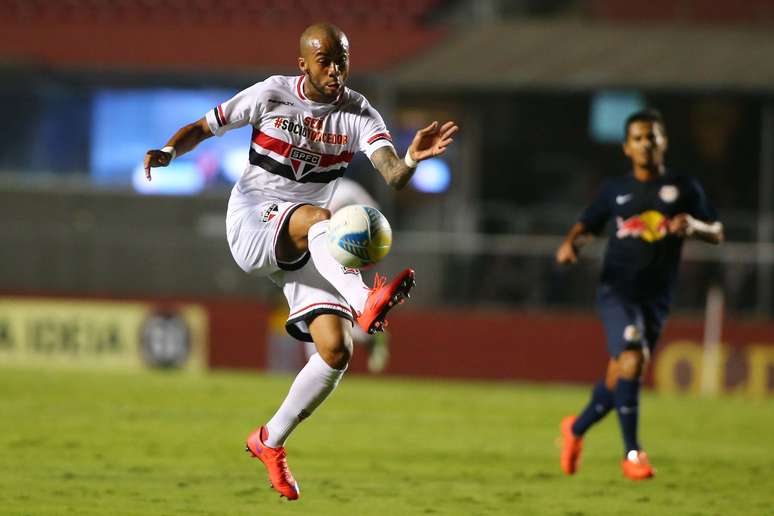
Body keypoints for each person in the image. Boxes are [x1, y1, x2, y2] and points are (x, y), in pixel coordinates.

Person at [144, 22, 458, 500]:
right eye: (326, 61)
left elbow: (392, 173)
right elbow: (205, 126)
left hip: (305, 238)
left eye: (342, 61)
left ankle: (269, 440)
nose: (335, 71)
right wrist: (169, 150)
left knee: (336, 350)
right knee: (319, 215)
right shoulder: (271, 94)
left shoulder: (357, 112)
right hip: (252, 220)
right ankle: (363, 299)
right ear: (303, 64)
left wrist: (412, 159)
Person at [555, 109, 723, 481]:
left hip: (657, 298)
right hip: (617, 290)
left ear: (664, 142)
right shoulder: (615, 190)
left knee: (621, 374)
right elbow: (587, 224)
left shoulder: (684, 188)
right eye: (639, 138)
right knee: (632, 359)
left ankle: (576, 429)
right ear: (626, 148)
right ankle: (632, 454)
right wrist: (572, 244)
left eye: (653, 136)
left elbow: (717, 231)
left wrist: (694, 226)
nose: (646, 143)